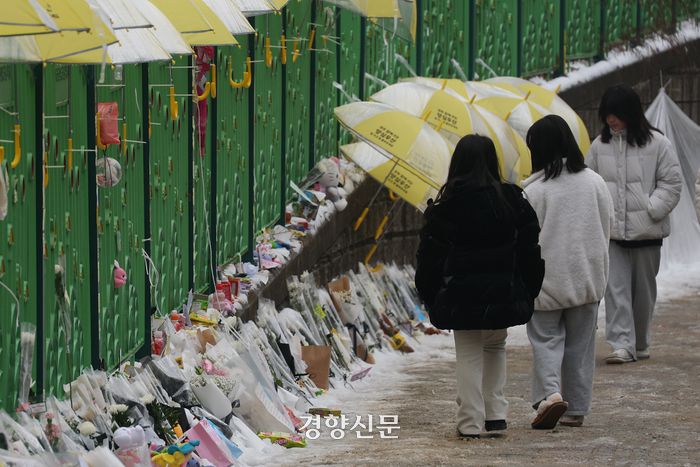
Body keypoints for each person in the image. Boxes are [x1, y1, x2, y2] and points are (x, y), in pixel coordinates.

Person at [415, 134, 544, 439]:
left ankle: (470, 421)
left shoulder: (446, 206)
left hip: (461, 295)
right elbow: (529, 249)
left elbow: (430, 258)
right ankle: (496, 414)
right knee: (495, 347)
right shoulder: (512, 200)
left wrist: (431, 295)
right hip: (502, 291)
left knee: (469, 354)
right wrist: (528, 288)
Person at [522, 115, 613, 429]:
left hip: (547, 281)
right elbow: (607, 225)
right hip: (587, 277)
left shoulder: (536, 191)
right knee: (580, 347)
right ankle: (576, 408)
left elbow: (526, 239)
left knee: (546, 340)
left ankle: (550, 395)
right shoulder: (596, 182)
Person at [586, 84, 682, 364]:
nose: (611, 120)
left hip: (647, 233)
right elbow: (589, 181)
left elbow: (672, 183)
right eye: (607, 114)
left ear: (630, 112)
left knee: (643, 293)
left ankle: (640, 342)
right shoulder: (599, 145)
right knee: (615, 291)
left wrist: (651, 209)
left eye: (616, 114)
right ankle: (621, 344)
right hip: (613, 234)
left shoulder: (658, 144)